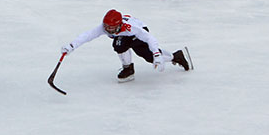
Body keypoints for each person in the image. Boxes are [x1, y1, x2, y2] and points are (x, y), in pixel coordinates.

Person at [61, 9, 190, 83]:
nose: (108, 30)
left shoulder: (130, 28)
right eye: (106, 27)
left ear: (119, 25)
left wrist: (156, 54)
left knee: (147, 56)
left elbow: (149, 38)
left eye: (111, 28)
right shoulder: (105, 27)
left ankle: (175, 56)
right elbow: (88, 35)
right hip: (124, 36)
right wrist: (71, 46)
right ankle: (128, 68)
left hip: (139, 32)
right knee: (119, 44)